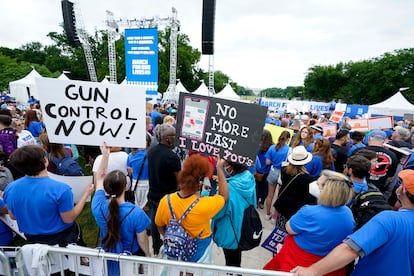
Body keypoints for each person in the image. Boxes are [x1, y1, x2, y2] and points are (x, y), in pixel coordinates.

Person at [292, 169, 414, 276]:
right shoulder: (347, 213)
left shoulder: (390, 219)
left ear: (402, 190)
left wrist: (313, 271)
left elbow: (350, 249)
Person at [264, 170, 354, 275]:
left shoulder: (309, 211)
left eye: (318, 184)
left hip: (298, 260)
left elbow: (289, 228)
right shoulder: (348, 213)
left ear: (327, 191)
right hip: (328, 264)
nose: (314, 185)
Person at [3, 145, 94, 245]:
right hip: (62, 240)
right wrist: (85, 195)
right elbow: (68, 218)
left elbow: (13, 216)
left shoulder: (10, 189)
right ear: (45, 160)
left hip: (32, 240)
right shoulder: (61, 189)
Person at [155, 154, 228, 263]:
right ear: (199, 184)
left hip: (175, 252)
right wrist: (219, 169)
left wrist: (170, 236)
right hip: (199, 252)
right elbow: (224, 196)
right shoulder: (205, 205)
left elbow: (159, 224)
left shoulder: (166, 201)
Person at [91, 143, 150, 276]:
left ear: (105, 188)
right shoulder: (136, 212)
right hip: (130, 258)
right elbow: (142, 240)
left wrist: (105, 156)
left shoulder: (98, 206)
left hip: (108, 258)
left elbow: (99, 178)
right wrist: (147, 254)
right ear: (125, 187)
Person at [211, 159, 256, 268]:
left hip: (230, 231)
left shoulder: (229, 189)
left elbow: (217, 212)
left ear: (231, 168)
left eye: (226, 165)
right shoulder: (248, 177)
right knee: (236, 260)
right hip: (244, 227)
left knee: (231, 263)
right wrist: (224, 180)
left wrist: (220, 175)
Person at [147, 124, 181, 256]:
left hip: (154, 195)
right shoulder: (171, 157)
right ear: (167, 138)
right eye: (174, 136)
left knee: (155, 222)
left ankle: (156, 247)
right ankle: (171, 248)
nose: (176, 139)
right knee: (170, 226)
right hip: (169, 199)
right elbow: (180, 181)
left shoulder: (152, 151)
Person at [274, 146, 314, 230]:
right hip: (294, 211)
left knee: (278, 231)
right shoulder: (307, 178)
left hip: (282, 207)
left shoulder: (284, 169)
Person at [355, 130, 398, 200]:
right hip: (378, 191)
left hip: (357, 188)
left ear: (369, 138)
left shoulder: (358, 151)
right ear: (384, 141)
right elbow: (390, 178)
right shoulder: (392, 155)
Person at [264, 130, 290, 219]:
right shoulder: (289, 150)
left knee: (270, 195)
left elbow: (267, 162)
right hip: (283, 173)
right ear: (288, 139)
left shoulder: (272, 147)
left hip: (273, 171)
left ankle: (267, 214)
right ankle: (275, 218)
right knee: (279, 197)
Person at [126, 133, 151, 208]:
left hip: (135, 183)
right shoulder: (151, 154)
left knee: (136, 206)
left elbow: (129, 171)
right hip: (148, 184)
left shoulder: (130, 156)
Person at [254, 129, 273, 210]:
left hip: (258, 171)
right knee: (265, 188)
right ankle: (262, 202)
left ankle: (256, 201)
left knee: (257, 186)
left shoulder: (257, 147)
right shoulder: (272, 148)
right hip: (267, 171)